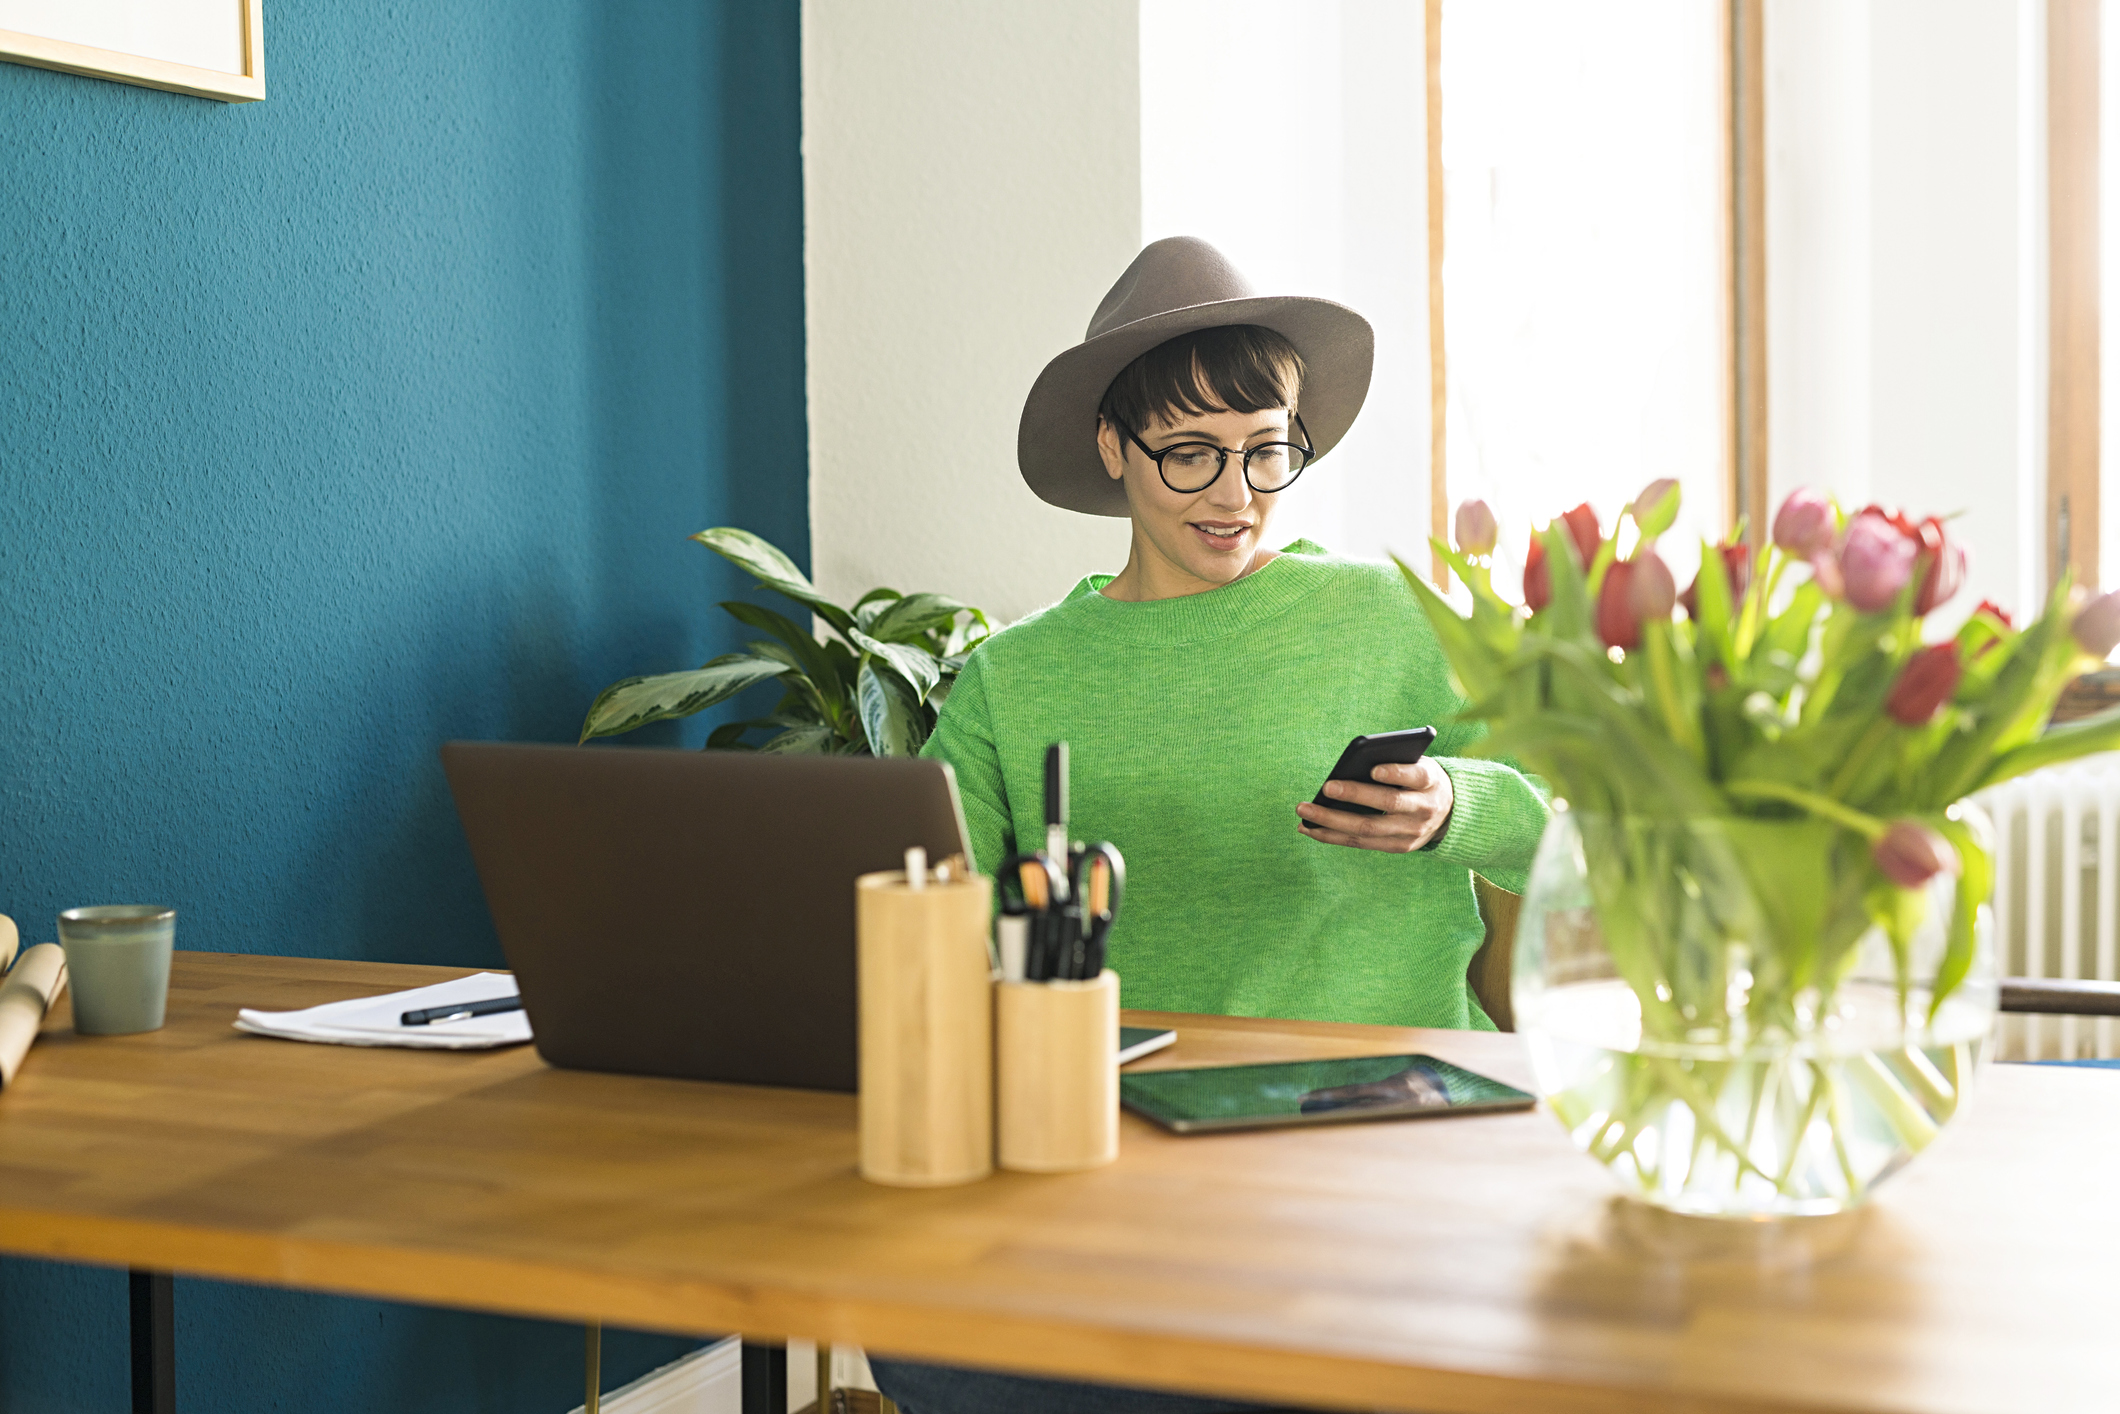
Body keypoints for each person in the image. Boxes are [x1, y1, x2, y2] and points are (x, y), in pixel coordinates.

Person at [869, 237, 1549, 1414]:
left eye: (1265, 449)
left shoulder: (1392, 616)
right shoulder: (1012, 678)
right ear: (1112, 447)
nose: (1234, 495)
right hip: (1120, 1147)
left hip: (1379, 1134)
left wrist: (1453, 806)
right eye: (1188, 454)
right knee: (922, 1344)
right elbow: (929, 905)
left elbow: (1565, 833)